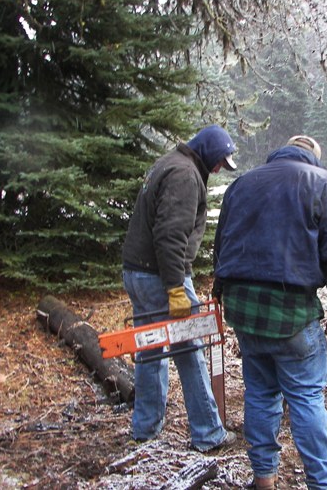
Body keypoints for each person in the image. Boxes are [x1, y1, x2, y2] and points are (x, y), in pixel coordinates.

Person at [213, 135, 327, 490]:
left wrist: (220, 289)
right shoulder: (324, 184)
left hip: (243, 309)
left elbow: (222, 243)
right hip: (291, 310)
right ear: (314, 158)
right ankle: (322, 484)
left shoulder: (243, 183)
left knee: (260, 393)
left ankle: (264, 479)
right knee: (307, 397)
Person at [121, 124, 238, 451]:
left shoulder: (169, 162)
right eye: (218, 162)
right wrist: (175, 289)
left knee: (149, 348)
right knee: (190, 351)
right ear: (207, 154)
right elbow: (169, 237)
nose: (218, 169)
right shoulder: (185, 175)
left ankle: (145, 428)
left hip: (138, 273)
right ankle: (208, 433)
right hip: (161, 277)